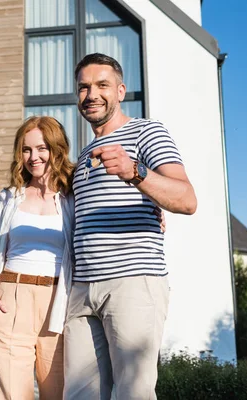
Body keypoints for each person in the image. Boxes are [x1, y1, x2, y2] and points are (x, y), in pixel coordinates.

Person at [64, 53, 197, 399]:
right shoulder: (82, 158)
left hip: (133, 283)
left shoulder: (147, 131)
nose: (91, 94)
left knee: (132, 394)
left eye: (102, 85)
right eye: (83, 87)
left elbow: (187, 199)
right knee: (79, 395)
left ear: (121, 91)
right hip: (83, 291)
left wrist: (136, 173)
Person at [0, 116, 75, 400]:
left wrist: (155, 210)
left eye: (42, 148)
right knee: (11, 394)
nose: (34, 157)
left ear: (56, 150)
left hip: (58, 302)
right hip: (11, 298)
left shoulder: (72, 197)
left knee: (57, 391)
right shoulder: (9, 198)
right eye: (26, 149)